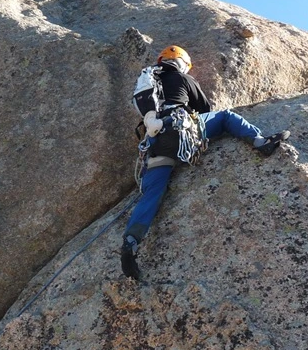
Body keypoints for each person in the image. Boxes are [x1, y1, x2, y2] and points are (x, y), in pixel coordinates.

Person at [121, 45, 289, 280]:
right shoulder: (183, 78)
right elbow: (206, 109)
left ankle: (131, 241)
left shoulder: (149, 81)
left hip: (156, 141)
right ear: (182, 63)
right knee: (226, 117)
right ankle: (260, 141)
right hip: (181, 128)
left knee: (151, 194)